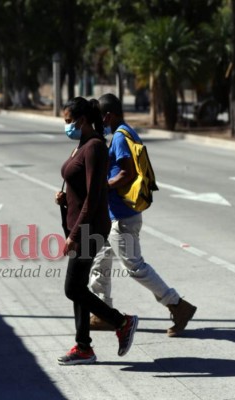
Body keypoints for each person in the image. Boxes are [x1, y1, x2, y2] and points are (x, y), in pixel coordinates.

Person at [89, 93, 197, 337]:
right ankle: (102, 313)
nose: (100, 123)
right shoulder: (124, 132)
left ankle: (178, 305)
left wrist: (103, 186)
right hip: (113, 214)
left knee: (134, 266)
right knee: (100, 261)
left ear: (108, 115)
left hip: (122, 215)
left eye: (101, 118)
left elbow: (127, 173)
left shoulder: (119, 137)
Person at [55, 97, 138, 366]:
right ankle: (83, 348)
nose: (66, 126)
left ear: (81, 121)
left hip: (89, 229)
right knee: (78, 287)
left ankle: (121, 322)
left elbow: (94, 196)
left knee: (72, 288)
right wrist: (65, 199)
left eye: (68, 121)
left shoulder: (94, 148)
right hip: (81, 225)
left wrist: (75, 234)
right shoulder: (82, 144)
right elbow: (79, 188)